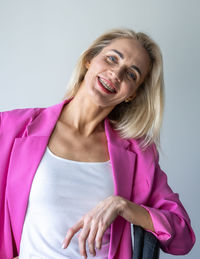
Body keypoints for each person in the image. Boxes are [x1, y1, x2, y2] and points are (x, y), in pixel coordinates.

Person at [0, 28, 195, 259]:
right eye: (112, 59)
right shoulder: (11, 127)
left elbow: (182, 237)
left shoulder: (138, 153)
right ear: (89, 60)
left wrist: (124, 207)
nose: (116, 74)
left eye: (131, 74)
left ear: (131, 94)